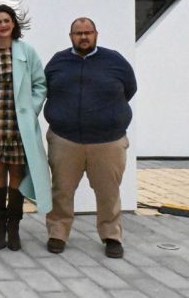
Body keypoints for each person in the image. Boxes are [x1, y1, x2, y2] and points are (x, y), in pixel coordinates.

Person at [44, 17, 136, 259]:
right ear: (71, 37)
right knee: (62, 190)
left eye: (88, 32)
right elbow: (47, 89)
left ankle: (111, 236)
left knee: (108, 192)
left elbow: (130, 89)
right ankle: (58, 232)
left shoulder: (115, 61)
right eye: (78, 33)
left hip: (108, 141)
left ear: (96, 34)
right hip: (65, 140)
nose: (83, 37)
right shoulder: (58, 62)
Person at [0, 4, 51, 251]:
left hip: (18, 124)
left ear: (13, 23)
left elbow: (40, 85)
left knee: (16, 172)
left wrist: (31, 109)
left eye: (6, 20)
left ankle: (14, 226)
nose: (3, 25)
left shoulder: (27, 52)